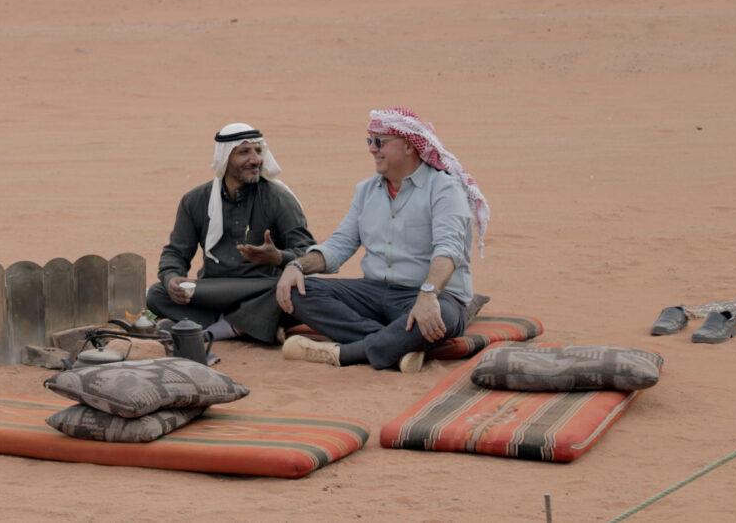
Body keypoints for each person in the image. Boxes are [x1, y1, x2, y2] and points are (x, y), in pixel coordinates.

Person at [277, 107, 489, 373]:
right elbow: (341, 243)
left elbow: (448, 251)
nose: (372, 149)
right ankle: (398, 345)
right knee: (298, 291)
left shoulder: (445, 189)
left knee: (443, 316)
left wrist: (428, 294)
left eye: (380, 142)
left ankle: (345, 352)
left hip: (429, 295)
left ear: (409, 146)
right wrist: (296, 266)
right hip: (375, 293)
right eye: (370, 141)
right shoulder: (366, 190)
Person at [145, 123, 317, 344]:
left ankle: (217, 329)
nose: (255, 160)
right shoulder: (195, 200)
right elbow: (176, 253)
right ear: (225, 159)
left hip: (262, 290)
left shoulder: (278, 199)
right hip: (214, 291)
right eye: (244, 152)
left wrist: (278, 257)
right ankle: (246, 325)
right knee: (157, 294)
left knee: (297, 292)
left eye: (258, 151)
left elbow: (307, 252)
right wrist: (171, 279)